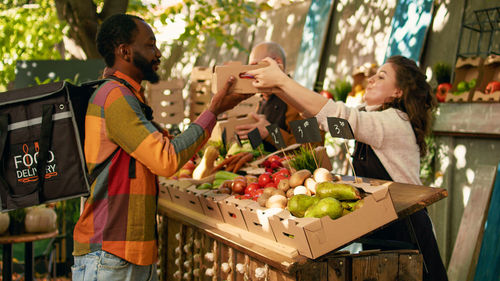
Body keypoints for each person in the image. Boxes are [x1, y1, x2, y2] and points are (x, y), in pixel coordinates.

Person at [72, 14, 246, 281]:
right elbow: (166, 159)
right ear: (125, 51)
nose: (158, 53)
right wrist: (213, 110)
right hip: (110, 253)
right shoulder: (115, 97)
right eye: (150, 45)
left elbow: (162, 150)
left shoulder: (127, 96)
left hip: (123, 254)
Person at [247, 55, 448, 281]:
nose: (370, 79)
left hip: (408, 230)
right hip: (384, 226)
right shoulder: (373, 115)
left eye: (381, 76)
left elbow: (340, 116)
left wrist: (282, 82)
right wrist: (279, 85)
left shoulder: (395, 121)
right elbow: (321, 117)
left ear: (398, 92)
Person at [235, 41, 323, 152]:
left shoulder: (299, 100)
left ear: (277, 63)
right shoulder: (261, 100)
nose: (251, 73)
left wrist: (270, 132)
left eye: (255, 66)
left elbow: (313, 149)